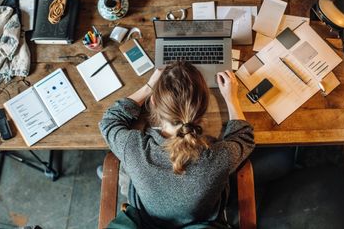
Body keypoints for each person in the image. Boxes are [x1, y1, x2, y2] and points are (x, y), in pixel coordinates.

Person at [99, 61, 254, 228]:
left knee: (122, 170)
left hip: (147, 221)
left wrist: (149, 86)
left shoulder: (132, 149)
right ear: (203, 108)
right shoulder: (219, 158)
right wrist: (231, 99)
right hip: (201, 222)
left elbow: (109, 121)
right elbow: (244, 137)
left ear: (153, 103)